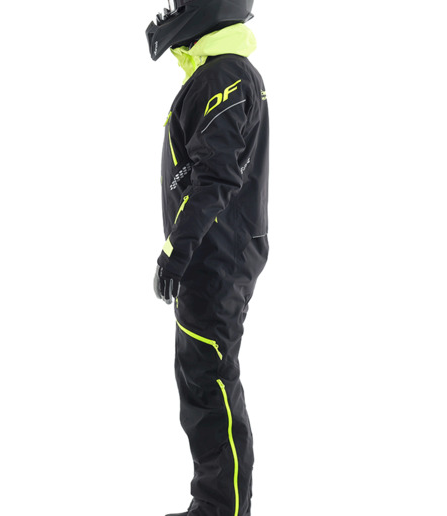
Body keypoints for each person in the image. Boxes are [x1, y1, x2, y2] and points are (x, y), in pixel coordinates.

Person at [146, 1, 269, 515]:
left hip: (215, 259)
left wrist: (176, 251)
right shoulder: (219, 73)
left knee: (211, 382)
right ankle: (215, 503)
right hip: (214, 257)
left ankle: (222, 509)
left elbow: (215, 177)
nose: (170, 10)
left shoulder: (224, 76)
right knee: (202, 381)